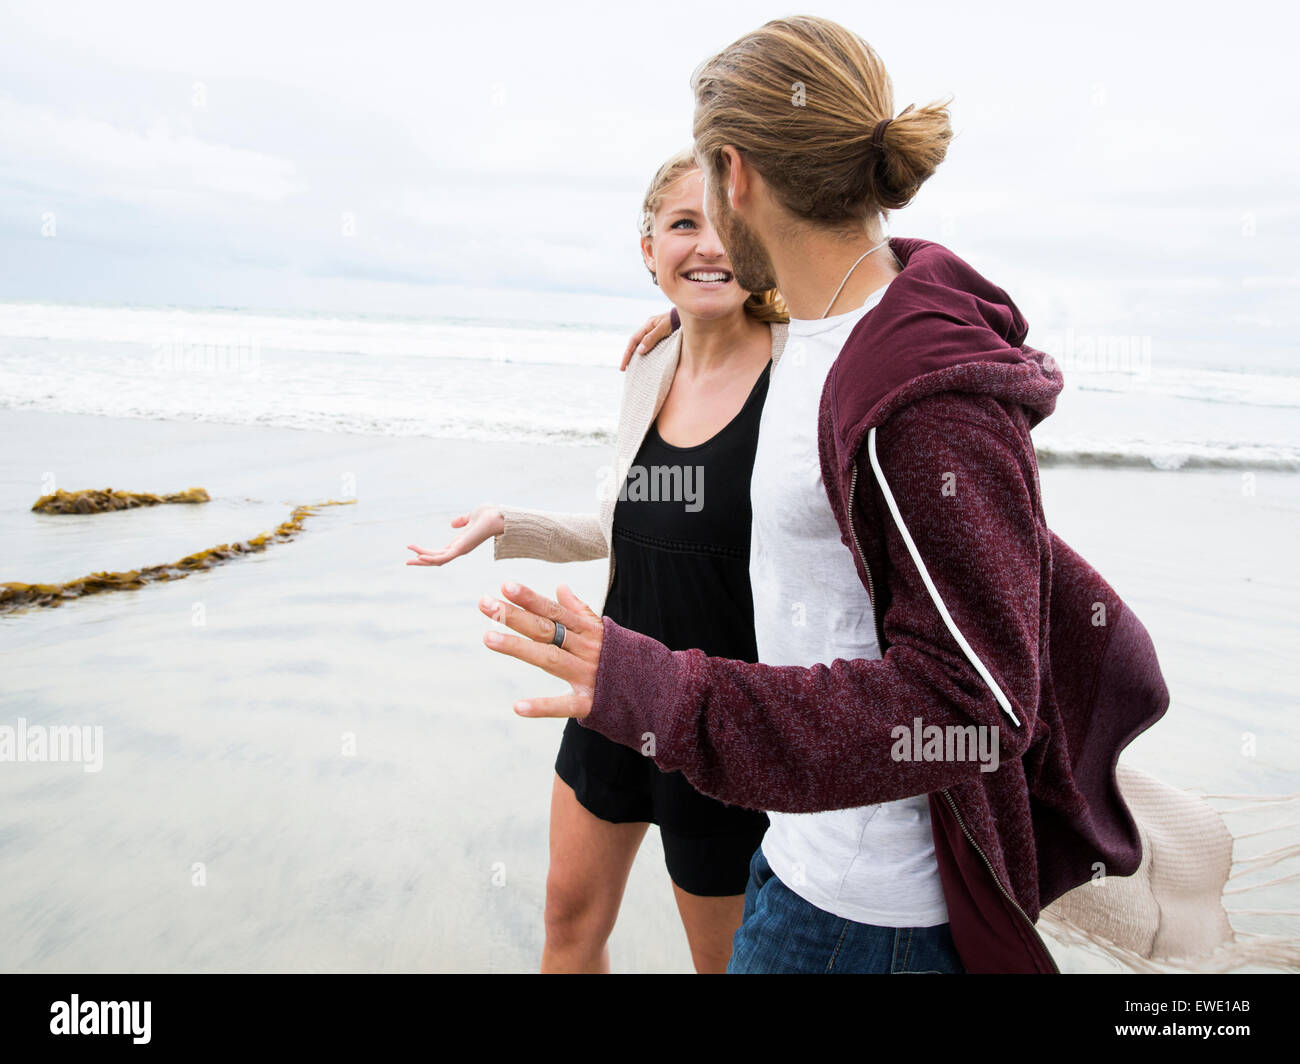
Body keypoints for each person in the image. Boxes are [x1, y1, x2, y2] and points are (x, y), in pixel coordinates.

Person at [477, 15, 1169, 974]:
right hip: (795, 862)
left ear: (738, 173)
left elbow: (975, 706)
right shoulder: (817, 333)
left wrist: (665, 689)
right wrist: (683, 327)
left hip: (874, 922)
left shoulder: (922, 395)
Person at [408, 148, 788, 973]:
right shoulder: (651, 364)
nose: (708, 246)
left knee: (723, 962)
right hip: (610, 690)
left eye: (728, 225)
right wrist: (506, 521)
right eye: (684, 225)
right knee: (566, 927)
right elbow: (636, 522)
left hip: (719, 719)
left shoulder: (804, 370)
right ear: (648, 250)